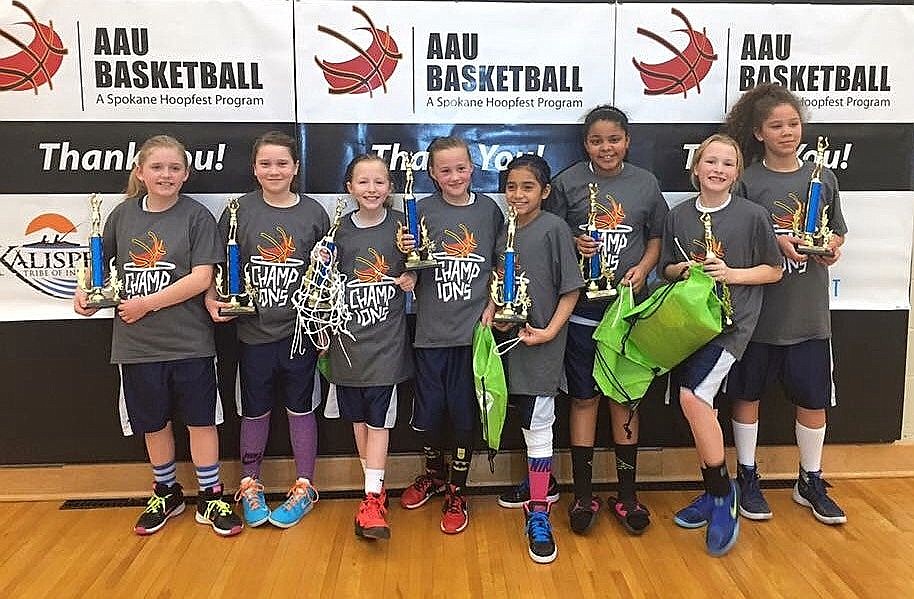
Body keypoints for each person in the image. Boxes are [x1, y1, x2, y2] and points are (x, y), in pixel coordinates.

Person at [503, 105, 668, 537]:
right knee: (582, 398)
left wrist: (645, 267)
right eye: (596, 140)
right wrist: (576, 242)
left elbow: (656, 236)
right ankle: (582, 493)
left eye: (614, 139)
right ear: (585, 144)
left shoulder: (646, 183)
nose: (606, 147)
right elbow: (549, 227)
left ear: (627, 141)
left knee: (624, 398)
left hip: (627, 310)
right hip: (581, 315)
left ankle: (628, 495)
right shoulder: (567, 183)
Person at [74, 135, 242, 536]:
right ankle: (166, 491)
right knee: (153, 423)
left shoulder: (196, 216)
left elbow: (202, 278)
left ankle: (211, 494)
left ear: (186, 174)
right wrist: (86, 293)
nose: (166, 175)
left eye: (174, 168)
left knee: (202, 422)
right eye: (157, 168)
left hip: (190, 343)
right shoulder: (120, 216)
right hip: (136, 346)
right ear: (140, 172)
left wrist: (147, 303)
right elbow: (101, 268)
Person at [723, 83, 848, 525]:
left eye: (793, 124)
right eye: (776, 126)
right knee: (746, 395)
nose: (787, 132)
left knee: (813, 399)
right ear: (758, 133)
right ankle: (747, 476)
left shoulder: (822, 177)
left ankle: (809, 480)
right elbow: (733, 238)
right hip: (757, 315)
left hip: (808, 313)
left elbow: (836, 231)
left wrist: (830, 246)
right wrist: (774, 242)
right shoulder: (745, 181)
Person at [661, 134, 782, 556]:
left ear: (737, 172)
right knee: (694, 405)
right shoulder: (678, 215)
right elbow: (666, 269)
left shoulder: (752, 216)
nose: (717, 169)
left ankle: (721, 494)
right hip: (688, 325)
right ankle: (714, 490)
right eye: (710, 161)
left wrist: (729, 274)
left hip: (731, 326)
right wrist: (685, 269)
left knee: (694, 398)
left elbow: (774, 270)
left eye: (727, 163)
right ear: (696, 168)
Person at [206, 131, 328, 529]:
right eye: (265, 163)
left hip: (299, 335)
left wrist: (324, 325)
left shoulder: (313, 213)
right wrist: (214, 297)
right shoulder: (238, 210)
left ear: (296, 167)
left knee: (300, 407)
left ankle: (305, 486)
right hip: (252, 335)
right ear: (254, 168)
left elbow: (328, 276)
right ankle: (250, 483)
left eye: (282, 163)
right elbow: (218, 266)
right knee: (254, 410)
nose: (274, 170)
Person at [399, 136, 504, 535]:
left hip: (471, 336)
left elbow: (501, 264)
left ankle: (457, 490)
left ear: (472, 167)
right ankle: (434, 475)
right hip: (429, 335)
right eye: (445, 170)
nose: (454, 176)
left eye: (461, 168)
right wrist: (407, 270)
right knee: (428, 416)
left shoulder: (489, 211)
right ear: (432, 174)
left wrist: (492, 309)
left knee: (464, 415)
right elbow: (408, 266)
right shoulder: (419, 211)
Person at [487, 154, 583, 563]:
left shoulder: (554, 229)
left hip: (542, 343)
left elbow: (571, 289)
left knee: (539, 423)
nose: (518, 194)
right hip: (508, 342)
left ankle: (539, 512)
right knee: (521, 416)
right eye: (511, 186)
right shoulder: (502, 231)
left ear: (544, 192)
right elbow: (500, 284)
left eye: (528, 187)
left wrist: (550, 331)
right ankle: (540, 485)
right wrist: (496, 314)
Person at [326, 153, 415, 539]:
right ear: (350, 188)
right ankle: (372, 492)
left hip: (386, 345)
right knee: (359, 422)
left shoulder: (403, 227)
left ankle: (373, 497)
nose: (372, 189)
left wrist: (412, 272)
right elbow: (325, 285)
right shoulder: (338, 232)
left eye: (379, 182)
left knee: (379, 423)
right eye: (363, 182)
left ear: (390, 188)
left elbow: (421, 263)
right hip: (346, 345)